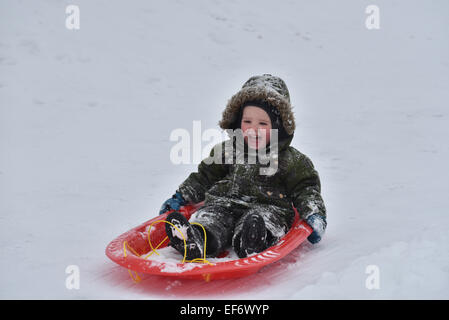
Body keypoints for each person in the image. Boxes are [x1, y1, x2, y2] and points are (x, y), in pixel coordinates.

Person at [159, 74, 327, 259]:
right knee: (212, 217)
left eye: (262, 123)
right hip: (225, 204)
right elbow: (204, 177)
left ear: (278, 127)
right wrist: (181, 196)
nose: (253, 129)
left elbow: (306, 189)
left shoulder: (290, 159)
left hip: (268, 207)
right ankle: (196, 238)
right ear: (238, 122)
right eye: (247, 122)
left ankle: (253, 241)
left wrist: (314, 214)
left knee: (264, 220)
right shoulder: (227, 151)